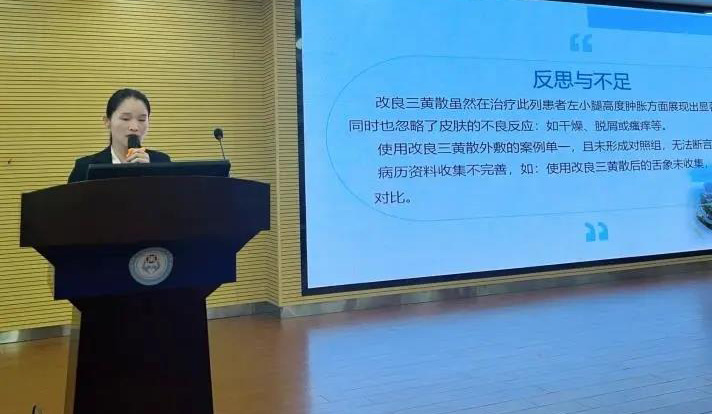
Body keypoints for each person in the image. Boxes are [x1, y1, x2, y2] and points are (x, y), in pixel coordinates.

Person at [67, 88, 171, 183]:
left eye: (141, 119)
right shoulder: (84, 167)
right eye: (125, 118)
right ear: (107, 121)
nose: (134, 127)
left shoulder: (162, 162)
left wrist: (150, 173)